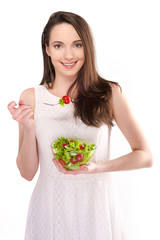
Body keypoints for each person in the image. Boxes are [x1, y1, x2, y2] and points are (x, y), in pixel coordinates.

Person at [7, 11, 153, 240]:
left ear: (88, 47)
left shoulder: (109, 93)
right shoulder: (31, 98)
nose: (68, 55)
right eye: (58, 46)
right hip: (49, 208)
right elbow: (27, 173)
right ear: (47, 49)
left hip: (97, 208)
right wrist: (28, 127)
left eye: (77, 45)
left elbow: (145, 156)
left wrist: (97, 167)